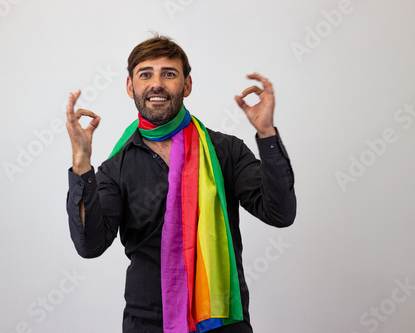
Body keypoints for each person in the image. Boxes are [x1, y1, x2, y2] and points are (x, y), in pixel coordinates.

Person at [65, 35, 296, 333]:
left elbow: (280, 213)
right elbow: (90, 245)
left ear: (187, 85)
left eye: (169, 74)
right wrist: (82, 162)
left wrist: (267, 134)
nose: (156, 83)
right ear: (130, 86)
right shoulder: (116, 167)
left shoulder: (225, 150)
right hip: (147, 323)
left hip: (222, 322)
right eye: (145, 74)